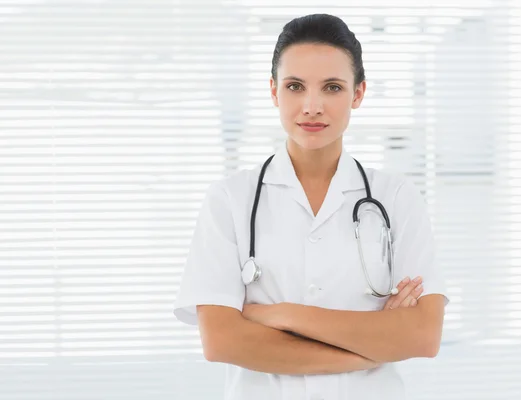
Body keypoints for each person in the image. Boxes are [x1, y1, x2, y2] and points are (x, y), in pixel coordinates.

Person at [173, 13, 450, 400]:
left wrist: (280, 314)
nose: (312, 106)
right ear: (274, 91)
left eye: (333, 87)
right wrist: (371, 347)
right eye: (295, 86)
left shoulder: (398, 198)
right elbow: (222, 341)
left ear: (358, 93)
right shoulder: (230, 200)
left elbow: (422, 335)